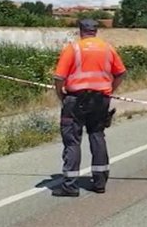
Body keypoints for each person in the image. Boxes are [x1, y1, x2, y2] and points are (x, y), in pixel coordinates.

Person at [51, 19, 127, 197]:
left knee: (72, 140)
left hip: (76, 99)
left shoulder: (73, 48)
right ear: (95, 31)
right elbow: (121, 73)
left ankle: (70, 186)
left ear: (81, 31)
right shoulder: (108, 48)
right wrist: (110, 90)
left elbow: (59, 77)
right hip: (101, 99)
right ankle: (100, 182)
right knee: (97, 136)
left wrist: (61, 95)